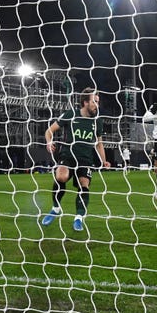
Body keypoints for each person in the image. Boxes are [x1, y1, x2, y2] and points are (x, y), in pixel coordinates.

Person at [41, 87, 111, 232]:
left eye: (98, 102)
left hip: (86, 159)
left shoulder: (97, 121)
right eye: (94, 102)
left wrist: (104, 161)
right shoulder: (71, 114)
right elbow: (49, 131)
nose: (97, 105)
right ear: (85, 102)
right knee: (61, 176)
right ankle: (55, 208)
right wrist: (49, 142)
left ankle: (78, 218)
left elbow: (99, 143)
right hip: (68, 155)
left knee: (84, 184)